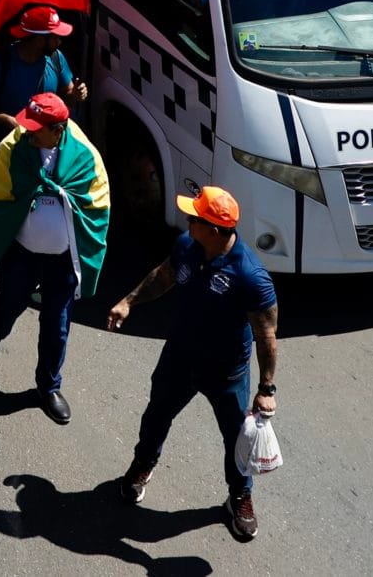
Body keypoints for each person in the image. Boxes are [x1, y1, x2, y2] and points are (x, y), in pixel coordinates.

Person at [107, 186, 280, 544]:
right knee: (156, 415)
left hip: (226, 372)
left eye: (194, 218)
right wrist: (129, 301)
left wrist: (266, 388)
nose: (187, 221)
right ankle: (144, 464)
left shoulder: (249, 275)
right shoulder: (188, 245)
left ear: (215, 230)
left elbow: (266, 334)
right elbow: (165, 275)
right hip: (179, 358)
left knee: (236, 438)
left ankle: (239, 496)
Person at [0, 91, 109, 426]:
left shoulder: (84, 157)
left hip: (62, 260)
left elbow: (97, 204)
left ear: (57, 129)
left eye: (36, 128)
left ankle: (48, 386)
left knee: (56, 326)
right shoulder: (15, 146)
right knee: (4, 308)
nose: (27, 133)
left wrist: (57, 192)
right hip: (24, 253)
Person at [0, 4, 87, 137]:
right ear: (39, 41)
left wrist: (76, 94)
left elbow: (68, 95)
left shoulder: (57, 58)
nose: (59, 42)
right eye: (55, 37)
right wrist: (7, 120)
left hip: (48, 142)